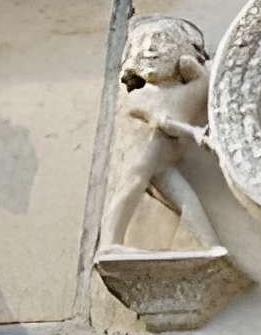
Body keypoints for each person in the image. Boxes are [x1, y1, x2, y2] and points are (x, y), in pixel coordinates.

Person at [98, 15, 233, 256]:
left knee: (186, 201)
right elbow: (161, 121)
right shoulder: (140, 94)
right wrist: (194, 133)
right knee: (130, 187)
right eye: (144, 42)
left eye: (161, 39)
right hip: (142, 160)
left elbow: (204, 79)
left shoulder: (187, 89)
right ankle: (109, 243)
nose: (150, 48)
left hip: (161, 164)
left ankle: (211, 246)